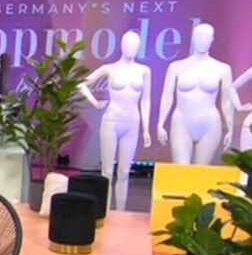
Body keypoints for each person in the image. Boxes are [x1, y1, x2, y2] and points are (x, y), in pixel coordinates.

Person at [78, 31, 152, 211]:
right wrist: (95, 102)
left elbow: (145, 100)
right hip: (111, 121)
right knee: (107, 172)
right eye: (129, 44)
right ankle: (104, 211)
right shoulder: (109, 69)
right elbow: (81, 84)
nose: (132, 48)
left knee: (125, 172)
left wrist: (146, 128)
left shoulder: (144, 71)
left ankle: (121, 212)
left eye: (135, 45)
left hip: (132, 122)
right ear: (122, 45)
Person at [156, 23, 242, 164]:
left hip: (209, 123)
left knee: (200, 172)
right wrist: (160, 123)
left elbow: (226, 101)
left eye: (206, 37)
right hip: (182, 121)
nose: (202, 41)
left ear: (212, 40)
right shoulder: (176, 67)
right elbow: (167, 96)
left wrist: (230, 128)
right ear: (193, 38)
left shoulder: (222, 69)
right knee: (180, 170)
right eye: (199, 36)